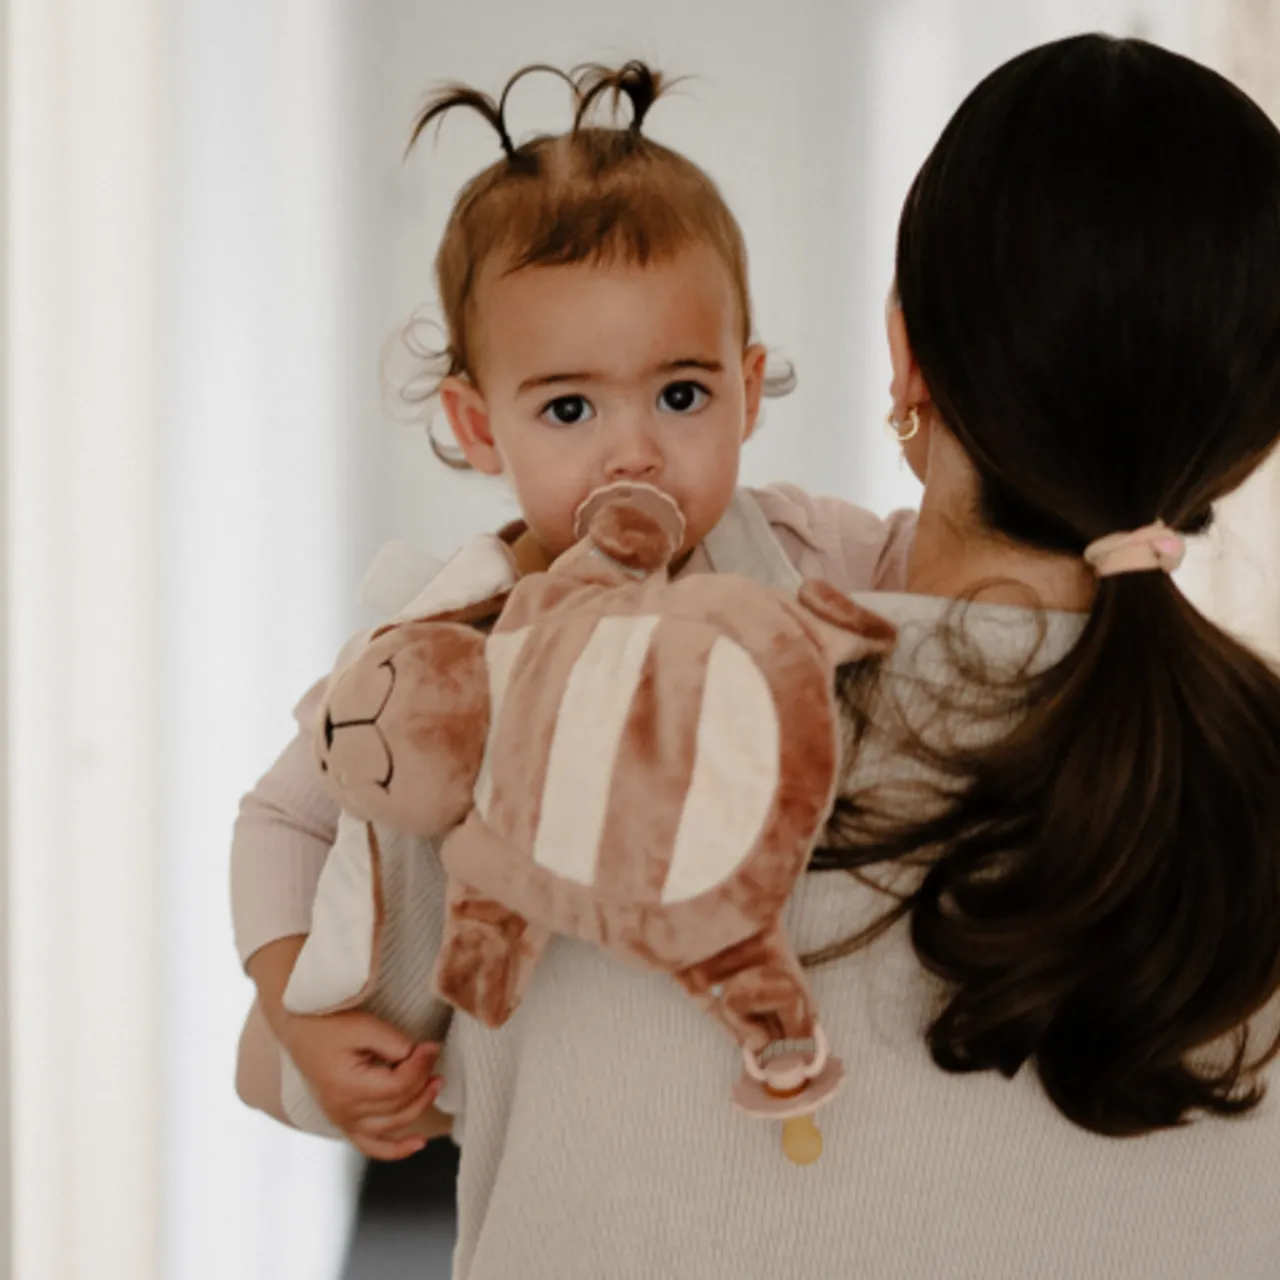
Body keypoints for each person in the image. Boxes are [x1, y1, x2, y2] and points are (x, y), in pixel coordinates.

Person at [231, 60, 913, 1164]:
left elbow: (948, 585)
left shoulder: (793, 547)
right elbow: (282, 819)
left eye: (681, 395)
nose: (633, 447)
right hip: (559, 1122)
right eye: (567, 407)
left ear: (746, 386)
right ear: (477, 425)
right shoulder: (444, 635)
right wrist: (289, 1004)